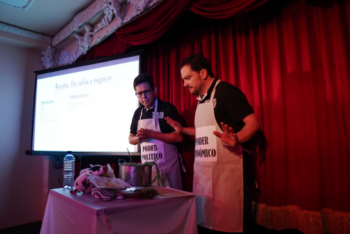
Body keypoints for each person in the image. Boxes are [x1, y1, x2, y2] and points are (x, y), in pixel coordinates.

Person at [165, 54, 260, 233]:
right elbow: (206, 131)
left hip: (231, 176)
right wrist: (183, 130)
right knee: (208, 224)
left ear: (203, 73)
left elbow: (253, 123)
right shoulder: (201, 99)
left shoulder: (226, 92)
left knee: (233, 225)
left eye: (187, 78)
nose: (184, 84)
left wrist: (237, 139)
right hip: (206, 178)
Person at [129, 73, 184, 190]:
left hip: (169, 169)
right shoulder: (138, 113)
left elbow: (179, 137)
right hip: (148, 171)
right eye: (139, 93)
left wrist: (152, 134)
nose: (143, 96)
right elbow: (131, 138)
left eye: (146, 91)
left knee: (173, 203)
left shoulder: (167, 108)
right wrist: (139, 137)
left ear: (154, 90)